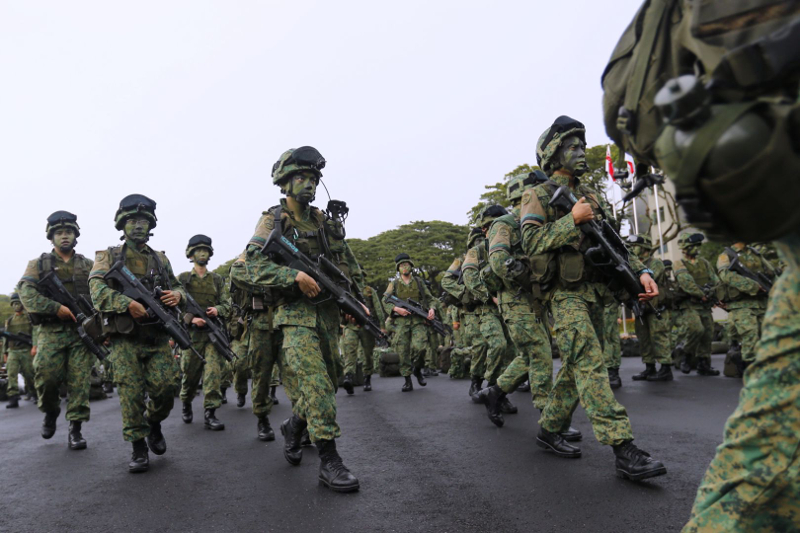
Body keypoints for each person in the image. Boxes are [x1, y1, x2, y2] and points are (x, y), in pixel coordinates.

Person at [520, 116, 665, 481]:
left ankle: (550, 429)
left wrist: (642, 272)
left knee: (575, 367)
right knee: (589, 362)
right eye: (573, 146)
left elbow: (614, 243)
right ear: (553, 154)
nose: (582, 152)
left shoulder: (593, 195)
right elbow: (530, 243)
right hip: (563, 296)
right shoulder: (535, 194)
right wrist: (572, 218)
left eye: (582, 146)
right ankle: (623, 447)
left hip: (596, 293)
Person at [231, 146, 360, 492]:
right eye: (301, 178)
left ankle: (295, 425)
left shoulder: (322, 221)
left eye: (314, 178)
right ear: (285, 182)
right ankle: (330, 460)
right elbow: (245, 269)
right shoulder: (273, 219)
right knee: (316, 384)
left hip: (328, 314)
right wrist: (293, 278)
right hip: (294, 315)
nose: (309, 184)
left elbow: (347, 263)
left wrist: (357, 303)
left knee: (330, 383)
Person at [88, 194, 184, 473]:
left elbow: (178, 286)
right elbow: (97, 290)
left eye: (143, 220)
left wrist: (177, 295)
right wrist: (126, 304)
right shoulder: (108, 256)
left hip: (156, 337)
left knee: (167, 389)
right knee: (130, 394)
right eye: (132, 220)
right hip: (125, 339)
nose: (138, 225)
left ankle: (153, 423)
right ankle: (138, 444)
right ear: (122, 224)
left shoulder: (160, 259)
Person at [476, 174, 564, 433]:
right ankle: (550, 420)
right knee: (540, 351)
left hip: (535, 300)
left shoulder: (537, 222)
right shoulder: (504, 223)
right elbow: (498, 260)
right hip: (514, 299)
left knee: (530, 354)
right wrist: (527, 279)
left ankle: (494, 391)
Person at [18, 211, 94, 450]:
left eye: (69, 232)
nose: (64, 236)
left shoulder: (88, 265)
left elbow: (101, 293)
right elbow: (26, 292)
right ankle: (50, 411)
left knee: (80, 381)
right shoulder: (38, 264)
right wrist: (55, 308)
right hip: (51, 332)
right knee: (47, 379)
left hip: (82, 333)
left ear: (75, 235)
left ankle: (75, 428)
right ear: (51, 237)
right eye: (59, 233)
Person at [463, 205, 517, 414]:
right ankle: (486, 386)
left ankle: (499, 395)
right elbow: (469, 277)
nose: (487, 231)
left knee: (512, 351)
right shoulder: (476, 251)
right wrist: (489, 296)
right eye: (486, 228)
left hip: (511, 305)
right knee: (498, 345)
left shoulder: (511, 245)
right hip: (487, 309)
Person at [177, 235, 231, 430]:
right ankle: (186, 402)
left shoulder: (216, 280)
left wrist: (218, 310)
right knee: (190, 375)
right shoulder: (183, 279)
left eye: (205, 250)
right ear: (190, 254)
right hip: (191, 336)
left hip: (212, 334)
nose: (202, 253)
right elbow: (173, 308)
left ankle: (211, 412)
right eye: (198, 250)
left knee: (213, 374)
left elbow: (227, 304)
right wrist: (192, 319)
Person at [716, 243, 776, 369]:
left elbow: (772, 273)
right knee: (750, 335)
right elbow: (726, 275)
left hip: (761, 303)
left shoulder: (756, 254)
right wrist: (752, 285)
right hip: (741, 305)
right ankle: (750, 368)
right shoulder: (726, 255)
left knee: (766, 335)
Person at [383, 254, 437, 392]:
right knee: (403, 351)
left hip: (418, 321)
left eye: (406, 264)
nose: (404, 267)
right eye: (401, 265)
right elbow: (385, 301)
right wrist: (396, 309)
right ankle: (407, 380)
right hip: (401, 322)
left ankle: (417, 369)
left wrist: (432, 309)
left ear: (411, 266)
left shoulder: (418, 282)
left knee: (420, 347)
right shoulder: (394, 284)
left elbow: (431, 299)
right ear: (398, 268)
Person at [671, 233, 720, 376]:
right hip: (689, 304)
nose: (696, 249)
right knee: (696, 329)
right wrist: (702, 294)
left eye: (698, 246)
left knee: (708, 333)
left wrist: (715, 294)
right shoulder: (679, 263)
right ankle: (686, 355)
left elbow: (716, 280)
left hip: (704, 304)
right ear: (685, 248)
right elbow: (686, 283)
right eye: (693, 246)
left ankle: (704, 364)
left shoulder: (704, 263)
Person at [627, 235, 673, 382]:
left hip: (656, 308)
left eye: (635, 246)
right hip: (642, 308)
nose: (632, 249)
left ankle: (665, 368)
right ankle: (649, 367)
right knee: (644, 338)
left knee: (659, 337)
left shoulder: (655, 263)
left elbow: (643, 282)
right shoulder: (634, 265)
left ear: (645, 247)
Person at [341, 282, 386, 393]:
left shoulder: (369, 291)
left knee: (367, 354)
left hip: (366, 325)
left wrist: (382, 326)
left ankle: (367, 378)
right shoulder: (344, 288)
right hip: (350, 326)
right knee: (349, 351)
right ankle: (349, 377)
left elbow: (377, 307)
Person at [3, 293, 35, 408]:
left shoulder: (29, 318)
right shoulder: (10, 321)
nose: (17, 305)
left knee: (29, 373)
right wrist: (5, 353)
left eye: (18, 303)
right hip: (13, 350)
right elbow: (6, 338)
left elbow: (35, 333)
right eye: (14, 303)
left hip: (26, 350)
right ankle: (13, 397)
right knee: (11, 373)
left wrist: (34, 346)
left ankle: (34, 392)